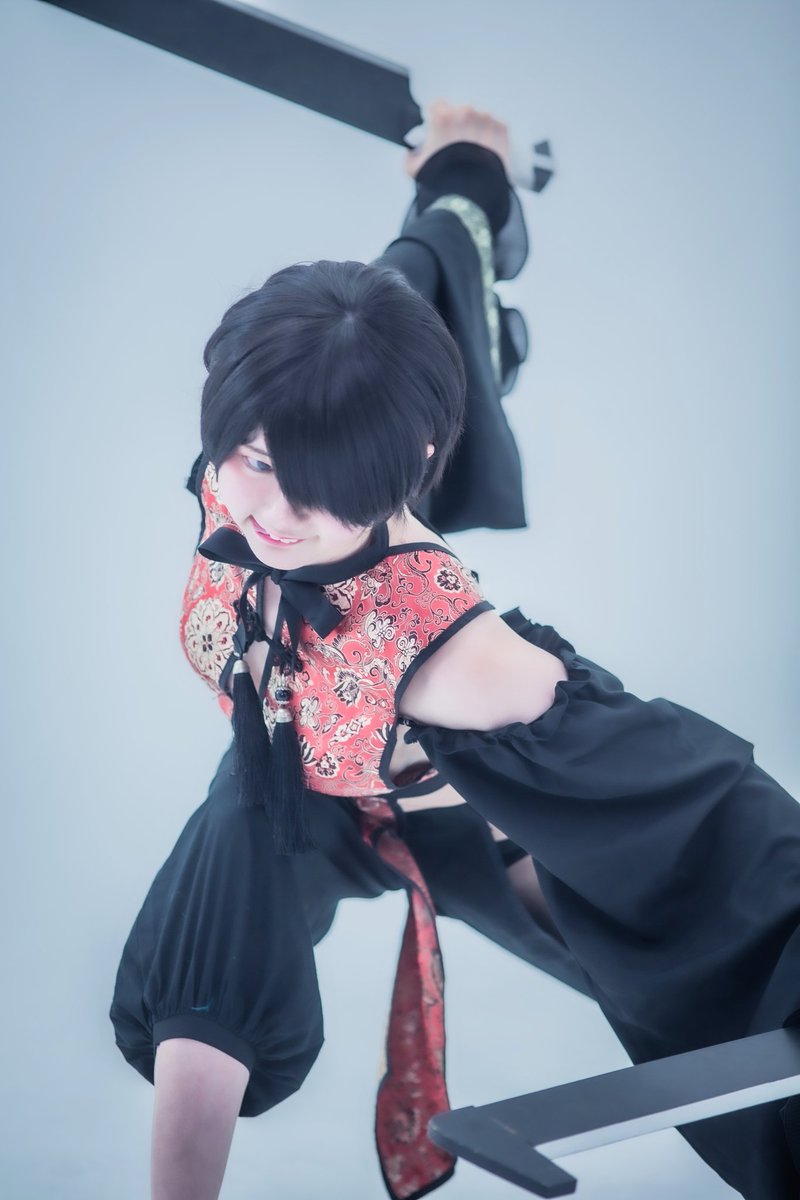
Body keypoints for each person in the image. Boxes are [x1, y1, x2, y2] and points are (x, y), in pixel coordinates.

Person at [109, 100, 800, 1200]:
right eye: (252, 462)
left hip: (476, 833)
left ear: (403, 470)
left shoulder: (449, 654)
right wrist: (466, 171)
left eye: (321, 491)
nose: (269, 514)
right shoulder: (287, 402)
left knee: (703, 987)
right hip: (302, 785)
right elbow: (403, 281)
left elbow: (698, 802)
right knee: (216, 913)